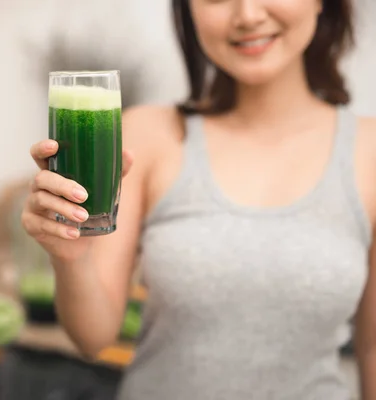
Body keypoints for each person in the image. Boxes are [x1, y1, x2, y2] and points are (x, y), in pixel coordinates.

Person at [21, 0, 376, 398]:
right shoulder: (147, 136)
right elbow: (93, 339)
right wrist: (71, 257)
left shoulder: (370, 153)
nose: (248, 15)